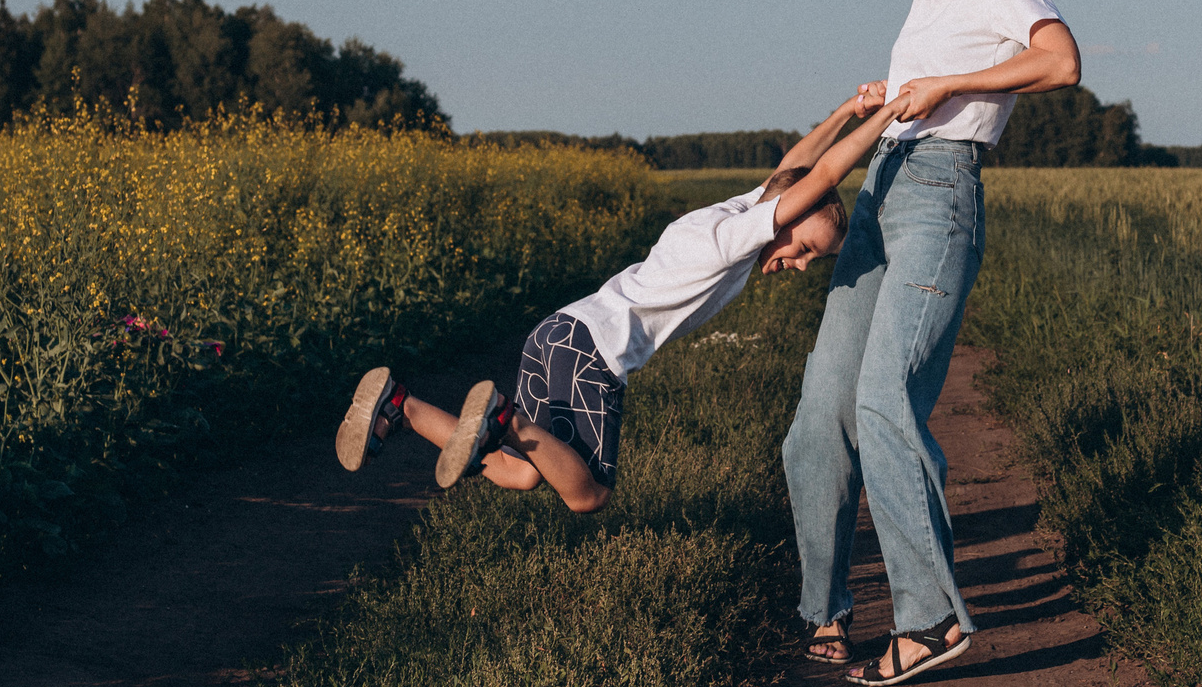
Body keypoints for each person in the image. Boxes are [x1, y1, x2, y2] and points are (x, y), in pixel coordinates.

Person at [785, 0, 1079, 687]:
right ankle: (826, 609)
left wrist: (948, 85)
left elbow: (1061, 61)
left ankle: (929, 615)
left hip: (940, 193)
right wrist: (891, 95)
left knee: (884, 398)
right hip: (884, 187)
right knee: (819, 414)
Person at [336, 86, 899, 512]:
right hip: (593, 353)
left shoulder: (736, 211)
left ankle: (399, 405)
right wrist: (887, 113)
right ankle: (501, 417)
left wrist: (846, 109)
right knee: (589, 494)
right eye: (804, 247)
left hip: (556, 332)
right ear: (784, 217)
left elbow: (794, 167)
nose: (800, 264)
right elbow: (820, 173)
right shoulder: (734, 238)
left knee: (523, 474)